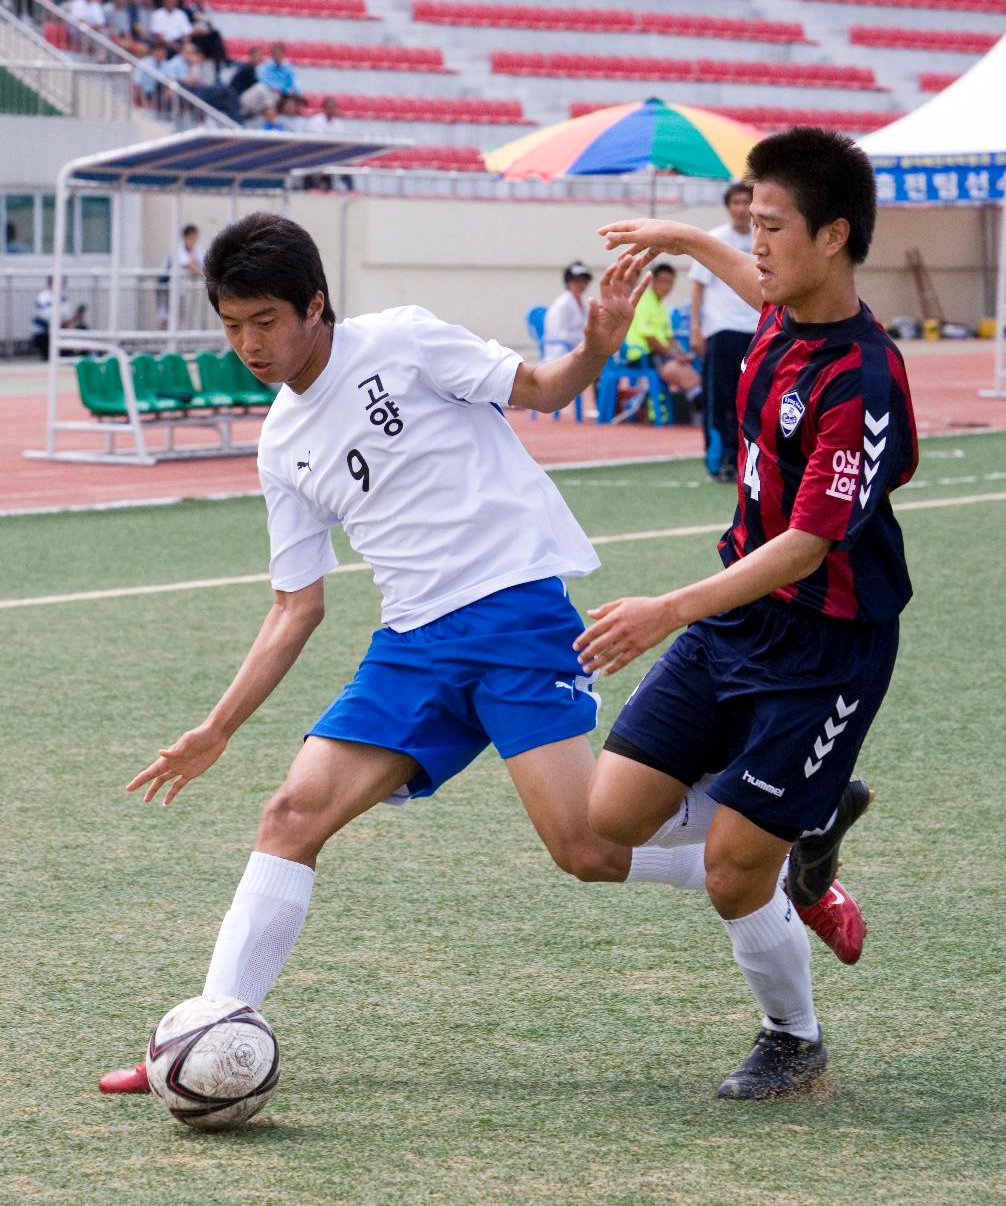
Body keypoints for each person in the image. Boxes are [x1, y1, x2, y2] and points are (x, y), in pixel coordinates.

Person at [96, 213, 863, 1096]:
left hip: (513, 610)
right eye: (231, 326)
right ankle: (205, 1033)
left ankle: (774, 831)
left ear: (315, 305)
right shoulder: (280, 443)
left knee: (583, 846)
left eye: (264, 321)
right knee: (290, 815)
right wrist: (217, 727)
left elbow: (541, 385)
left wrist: (599, 350)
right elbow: (295, 606)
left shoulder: (405, 339)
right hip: (412, 644)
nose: (248, 344)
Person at [579, 126, 918, 1100]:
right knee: (609, 821)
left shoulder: (860, 374)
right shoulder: (778, 306)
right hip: (739, 622)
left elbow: (810, 544)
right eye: (749, 222)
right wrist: (682, 237)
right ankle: (794, 828)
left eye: (771, 225)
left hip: (826, 647)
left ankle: (792, 1037)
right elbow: (741, 270)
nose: (754, 242)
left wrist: (665, 608)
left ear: (833, 237)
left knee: (732, 872)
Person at [690, 181, 760, 482]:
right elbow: (698, 287)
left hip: (756, 331)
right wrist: (696, 328)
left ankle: (746, 461)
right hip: (722, 331)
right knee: (719, 400)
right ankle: (718, 461)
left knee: (755, 401)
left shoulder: (763, 241)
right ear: (728, 207)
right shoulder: (715, 241)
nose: (742, 208)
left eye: (747, 202)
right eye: (736, 203)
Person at [624, 261, 702, 420]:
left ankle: (699, 402)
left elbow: (669, 338)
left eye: (670, 282)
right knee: (677, 368)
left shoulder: (661, 306)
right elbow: (650, 338)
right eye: (663, 281)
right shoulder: (643, 302)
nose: (667, 286)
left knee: (689, 364)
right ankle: (700, 407)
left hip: (657, 354)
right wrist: (674, 356)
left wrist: (681, 354)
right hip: (640, 355)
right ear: (653, 281)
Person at [156, 222, 204, 327]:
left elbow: (203, 262)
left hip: (179, 288)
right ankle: (163, 339)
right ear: (186, 237)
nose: (194, 241)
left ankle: (174, 338)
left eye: (196, 238)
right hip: (166, 285)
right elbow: (191, 265)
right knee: (166, 315)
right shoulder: (178, 249)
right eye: (192, 238)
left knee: (179, 313)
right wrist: (205, 275)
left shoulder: (196, 248)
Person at [543, 261, 592, 362]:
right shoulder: (562, 305)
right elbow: (559, 336)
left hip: (579, 353)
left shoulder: (584, 303)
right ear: (568, 283)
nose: (581, 284)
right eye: (576, 281)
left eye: (584, 281)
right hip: (561, 356)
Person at [31, 278, 86, 357]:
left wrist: (75, 318)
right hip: (44, 332)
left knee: (82, 327)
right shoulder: (44, 297)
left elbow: (66, 318)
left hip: (61, 328)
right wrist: (68, 322)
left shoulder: (63, 296)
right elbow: (51, 320)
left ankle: (85, 355)